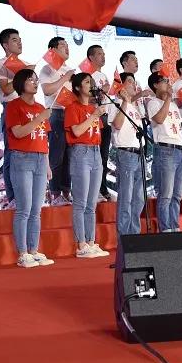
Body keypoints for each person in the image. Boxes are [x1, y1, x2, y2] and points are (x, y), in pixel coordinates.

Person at [5, 68, 55, 268]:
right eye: (30, 80)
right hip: (22, 158)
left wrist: (48, 164)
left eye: (35, 80)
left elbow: (45, 139)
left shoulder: (40, 107)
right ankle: (23, 253)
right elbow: (18, 133)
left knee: (36, 210)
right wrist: (39, 118)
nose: (35, 82)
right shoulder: (14, 106)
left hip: (41, 159)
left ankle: (34, 250)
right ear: (21, 84)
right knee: (24, 208)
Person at [65, 72, 110, 257]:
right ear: (77, 87)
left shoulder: (93, 107)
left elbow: (97, 131)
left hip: (95, 152)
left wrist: (96, 113)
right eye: (86, 82)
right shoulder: (72, 108)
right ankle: (81, 245)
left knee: (92, 203)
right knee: (81, 202)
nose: (91, 85)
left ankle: (91, 242)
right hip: (81, 152)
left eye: (91, 82)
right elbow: (76, 131)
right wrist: (94, 115)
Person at [146, 72, 182, 232]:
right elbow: (159, 119)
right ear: (155, 85)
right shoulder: (153, 103)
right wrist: (169, 99)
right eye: (164, 81)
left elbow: (180, 130)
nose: (168, 84)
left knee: (177, 194)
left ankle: (174, 226)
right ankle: (165, 229)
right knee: (166, 193)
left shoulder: (175, 106)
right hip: (165, 150)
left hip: (180, 150)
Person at [39, 37, 76, 206]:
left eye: (67, 45)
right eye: (62, 45)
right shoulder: (47, 68)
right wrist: (65, 78)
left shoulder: (70, 70)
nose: (67, 48)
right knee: (56, 154)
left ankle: (66, 192)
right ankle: (55, 193)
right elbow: (47, 90)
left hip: (71, 113)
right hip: (55, 113)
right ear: (52, 50)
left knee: (69, 155)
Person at [109, 73, 145, 234]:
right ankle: (124, 238)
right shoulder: (115, 103)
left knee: (139, 198)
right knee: (126, 197)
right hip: (126, 153)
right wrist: (124, 102)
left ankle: (134, 234)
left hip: (139, 153)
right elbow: (117, 124)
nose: (133, 85)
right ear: (121, 85)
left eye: (134, 82)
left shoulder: (135, 108)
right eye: (130, 81)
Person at [0, 28, 23, 210]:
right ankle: (12, 197)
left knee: (26, 153)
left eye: (20, 39)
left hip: (27, 109)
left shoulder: (25, 64)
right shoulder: (0, 63)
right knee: (12, 152)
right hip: (11, 108)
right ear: (5, 45)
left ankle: (24, 194)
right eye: (14, 40)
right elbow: (6, 89)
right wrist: (21, 75)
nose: (19, 42)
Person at [87, 45, 114, 201]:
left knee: (104, 156)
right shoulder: (88, 75)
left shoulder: (103, 75)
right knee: (95, 156)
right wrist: (101, 91)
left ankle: (102, 188)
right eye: (99, 54)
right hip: (94, 118)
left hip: (106, 117)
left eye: (104, 53)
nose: (103, 56)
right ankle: (94, 190)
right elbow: (87, 98)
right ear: (91, 57)